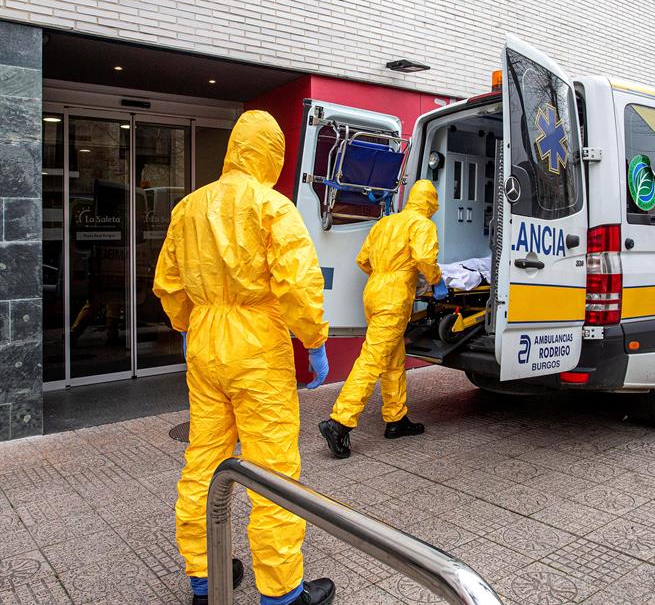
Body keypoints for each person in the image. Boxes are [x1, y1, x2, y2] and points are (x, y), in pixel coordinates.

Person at [153, 110, 335, 605]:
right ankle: (282, 592)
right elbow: (298, 282)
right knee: (271, 465)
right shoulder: (272, 206)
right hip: (257, 345)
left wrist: (187, 325)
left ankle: (205, 576)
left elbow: (169, 283)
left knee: (203, 458)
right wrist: (314, 341)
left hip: (205, 341)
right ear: (271, 154)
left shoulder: (188, 207)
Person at [319, 179, 447, 459]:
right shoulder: (422, 224)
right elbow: (425, 259)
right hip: (394, 297)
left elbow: (363, 260)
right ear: (430, 203)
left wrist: (384, 274)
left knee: (393, 359)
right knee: (373, 359)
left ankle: (396, 418)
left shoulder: (385, 223)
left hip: (374, 291)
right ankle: (339, 422)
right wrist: (436, 280)